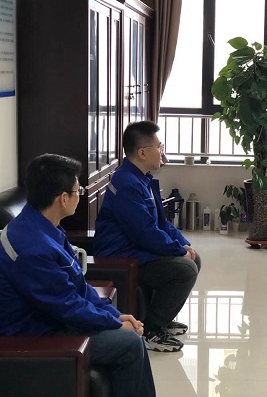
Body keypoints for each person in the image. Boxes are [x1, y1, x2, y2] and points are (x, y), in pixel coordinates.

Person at [0, 154, 155, 397]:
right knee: (130, 344)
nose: (80, 195)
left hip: (51, 319)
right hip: (34, 334)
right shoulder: (33, 247)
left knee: (127, 332)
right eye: (78, 190)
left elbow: (78, 286)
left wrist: (116, 314)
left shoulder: (42, 226)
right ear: (63, 199)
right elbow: (67, 306)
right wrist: (115, 323)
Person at [93, 120, 201, 352]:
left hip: (136, 247)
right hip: (121, 254)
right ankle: (152, 330)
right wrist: (177, 250)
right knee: (186, 269)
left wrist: (183, 243)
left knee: (193, 258)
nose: (162, 152)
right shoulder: (126, 183)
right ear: (143, 153)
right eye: (159, 147)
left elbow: (160, 223)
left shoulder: (142, 179)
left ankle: (162, 319)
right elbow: (145, 233)